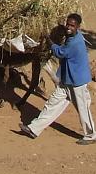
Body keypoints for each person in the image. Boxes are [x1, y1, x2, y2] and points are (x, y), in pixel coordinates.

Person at [19, 13, 96, 145]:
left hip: (77, 82)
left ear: (78, 26)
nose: (69, 27)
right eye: (68, 24)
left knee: (83, 109)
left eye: (72, 25)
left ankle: (91, 135)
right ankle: (33, 129)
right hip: (67, 80)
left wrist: (49, 41)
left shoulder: (75, 42)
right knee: (52, 104)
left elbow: (60, 52)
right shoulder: (73, 37)